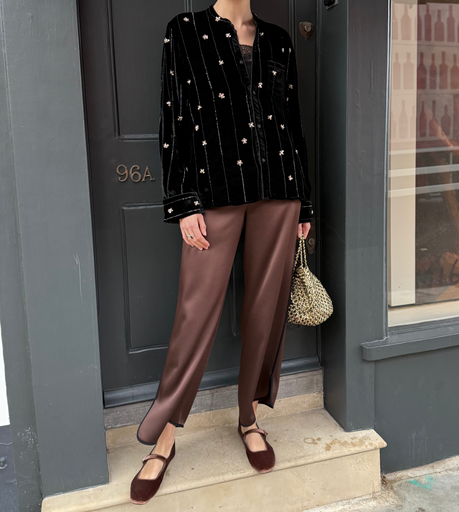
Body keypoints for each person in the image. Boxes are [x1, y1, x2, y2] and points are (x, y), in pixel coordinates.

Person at [130, 0, 313, 504]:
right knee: (196, 312)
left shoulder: (278, 39)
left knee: (265, 308)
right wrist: (182, 201)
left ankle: (249, 418)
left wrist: (304, 203)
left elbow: (292, 123)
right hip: (213, 194)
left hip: (279, 192)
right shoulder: (184, 31)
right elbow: (174, 117)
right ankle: (164, 436)